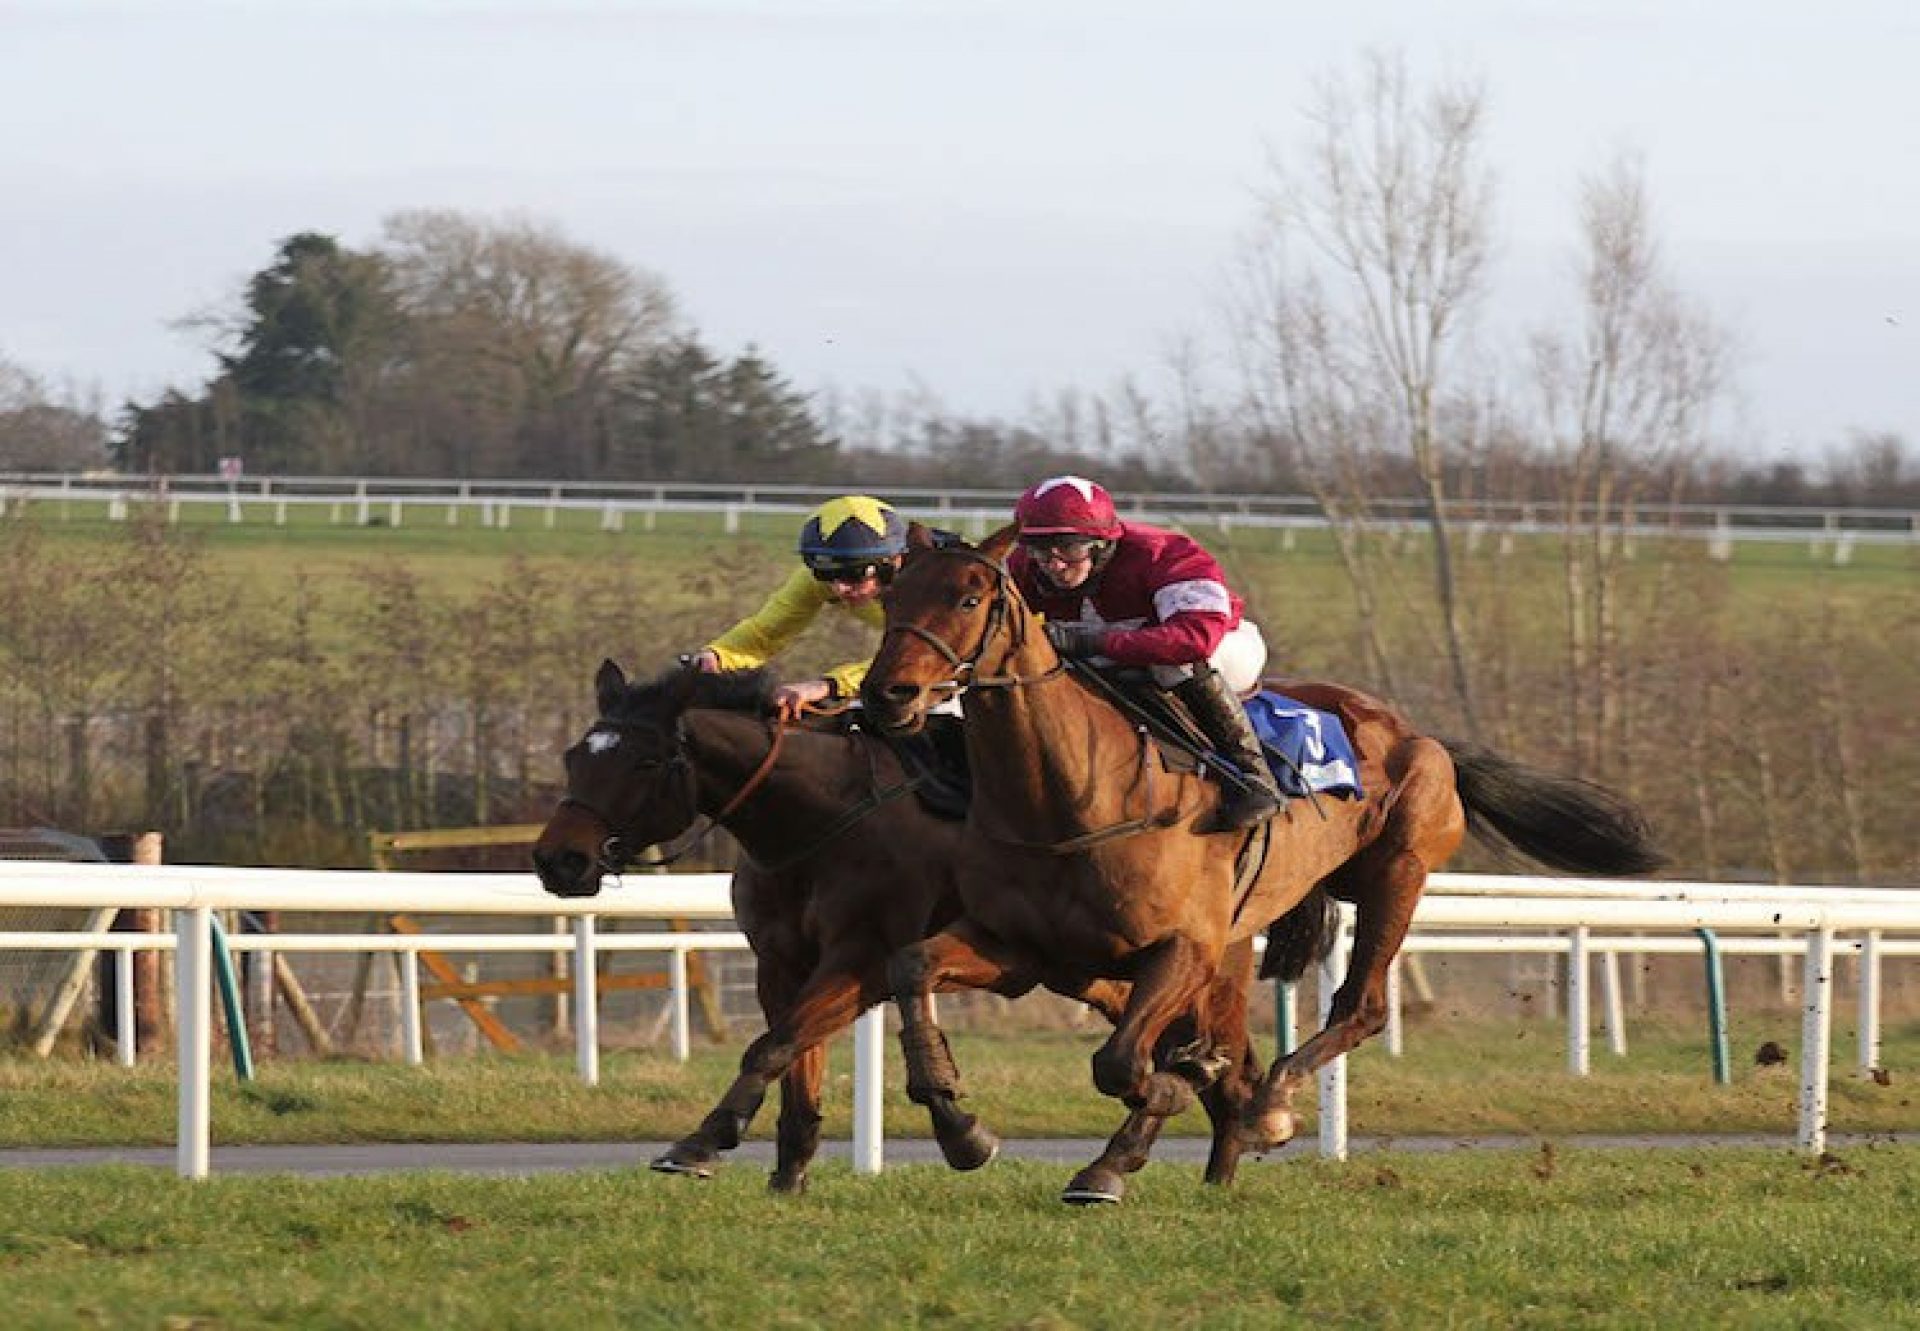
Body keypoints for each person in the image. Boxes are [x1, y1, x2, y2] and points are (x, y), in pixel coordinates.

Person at [1007, 474, 1285, 831]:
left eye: (1069, 549)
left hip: (1222, 646)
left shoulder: (1165, 554)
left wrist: (1093, 642)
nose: (1054, 564)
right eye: (1039, 549)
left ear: (1102, 544)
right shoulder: (1024, 567)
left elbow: (1194, 638)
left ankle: (1255, 778)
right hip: (1118, 654)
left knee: (1175, 664)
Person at [691, 495, 908, 720]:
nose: (839, 588)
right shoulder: (820, 582)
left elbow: (918, 662)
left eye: (853, 574)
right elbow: (765, 634)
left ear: (893, 561)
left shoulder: (927, 586)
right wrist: (717, 656)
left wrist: (829, 685)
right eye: (826, 574)